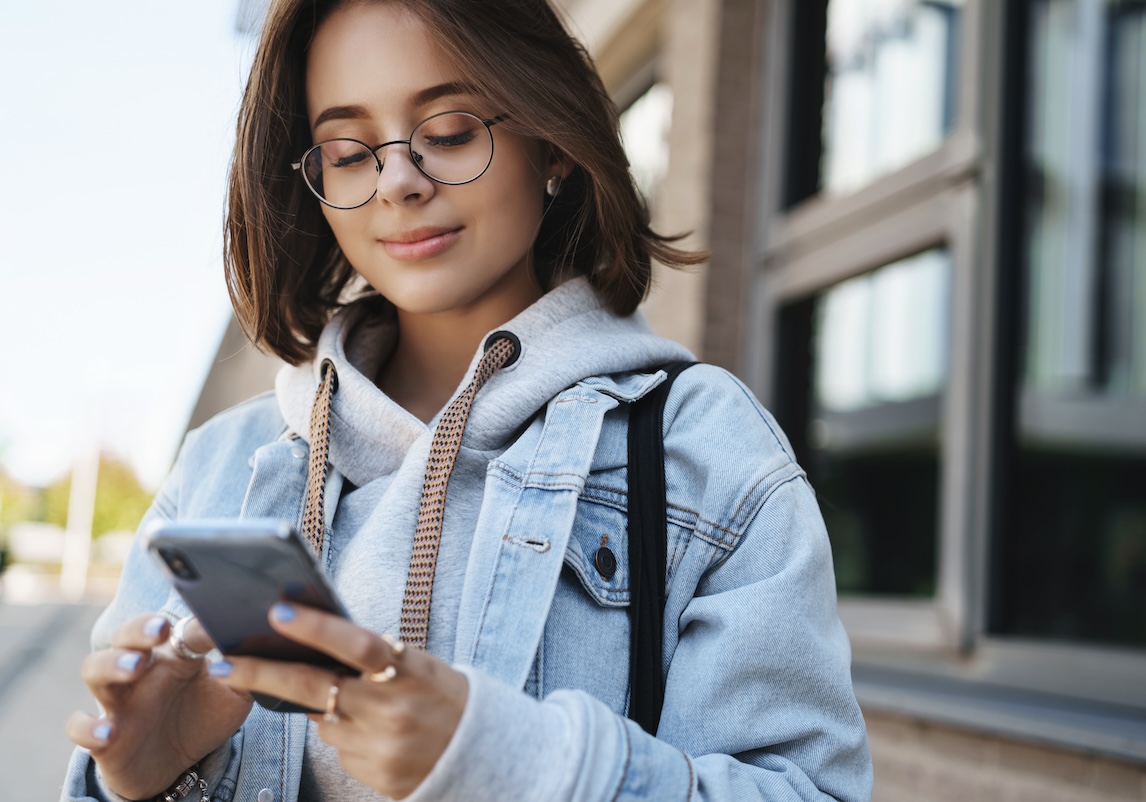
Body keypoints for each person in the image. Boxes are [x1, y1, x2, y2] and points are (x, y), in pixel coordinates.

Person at [62, 0, 872, 799]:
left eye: (448, 132)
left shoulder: (704, 449)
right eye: (347, 151)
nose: (398, 182)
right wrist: (148, 780)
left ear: (550, 141)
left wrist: (508, 761)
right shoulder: (219, 467)